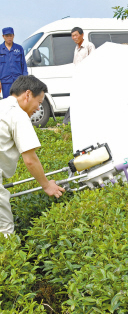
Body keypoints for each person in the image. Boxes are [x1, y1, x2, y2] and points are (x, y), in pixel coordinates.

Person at [0, 75, 65, 236]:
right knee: (5, 232)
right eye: (39, 101)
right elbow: (30, 160)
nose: (38, 107)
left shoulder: (2, 106)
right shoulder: (18, 114)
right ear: (27, 94)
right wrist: (46, 185)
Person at [63, 27, 95, 124]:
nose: (74, 37)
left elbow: (93, 61)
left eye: (76, 35)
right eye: (72, 36)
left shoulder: (89, 46)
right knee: (77, 99)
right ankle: (68, 121)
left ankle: (66, 121)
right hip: (78, 78)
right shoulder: (76, 48)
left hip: (87, 78)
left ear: (82, 35)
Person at [0, 27, 28, 99]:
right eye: (7, 36)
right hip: (5, 82)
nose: (9, 37)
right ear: (3, 36)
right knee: (7, 103)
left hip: (18, 81)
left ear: (13, 36)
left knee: (19, 101)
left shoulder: (19, 48)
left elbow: (24, 65)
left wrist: (25, 80)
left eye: (11, 35)